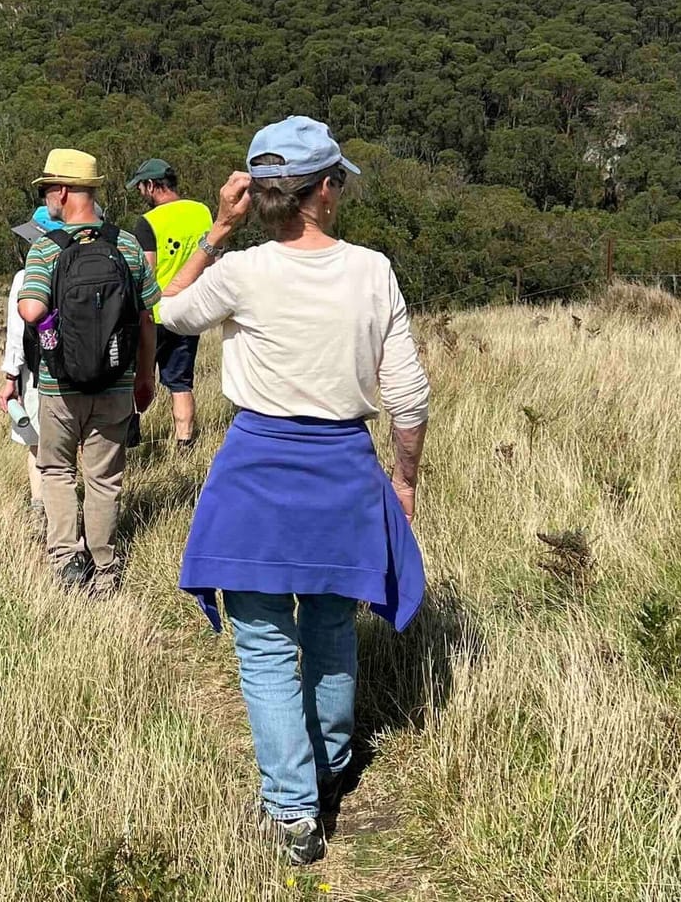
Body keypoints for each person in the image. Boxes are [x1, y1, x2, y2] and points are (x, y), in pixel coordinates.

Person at [156, 116, 429, 867]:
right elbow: (408, 398)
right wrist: (402, 483)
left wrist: (218, 227)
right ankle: (331, 768)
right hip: (343, 472)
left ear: (265, 196)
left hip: (254, 477)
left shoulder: (243, 272)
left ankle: (292, 810)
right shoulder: (372, 270)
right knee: (333, 631)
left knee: (266, 650)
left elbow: (167, 307)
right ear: (326, 191)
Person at [17, 148, 161, 597]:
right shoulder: (126, 244)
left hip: (60, 384)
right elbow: (146, 316)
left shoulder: (46, 248)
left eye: (47, 189)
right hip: (117, 380)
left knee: (57, 470)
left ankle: (66, 559)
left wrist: (38, 306)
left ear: (61, 191)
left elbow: (31, 308)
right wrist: (145, 376)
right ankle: (104, 567)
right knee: (104, 478)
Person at [126, 158, 214, 451]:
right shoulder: (201, 212)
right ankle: (185, 444)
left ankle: (131, 438)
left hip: (155, 315)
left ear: (151, 185)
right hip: (190, 312)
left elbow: (146, 273)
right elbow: (210, 256)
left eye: (141, 187)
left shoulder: (148, 222)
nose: (141, 193)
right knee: (181, 383)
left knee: (138, 378)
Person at [0, 205, 61, 542]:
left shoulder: (26, 278)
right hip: (86, 377)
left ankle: (40, 514)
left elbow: (16, 335)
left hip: (38, 377)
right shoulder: (83, 264)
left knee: (37, 448)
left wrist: (10, 379)